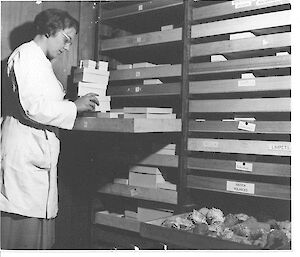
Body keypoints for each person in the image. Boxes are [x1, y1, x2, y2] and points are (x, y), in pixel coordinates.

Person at [0, 8, 99, 249]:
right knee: (19, 236)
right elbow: (33, 107)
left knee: (36, 235)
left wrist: (73, 105)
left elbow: (46, 104)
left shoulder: (41, 63)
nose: (66, 47)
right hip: (23, 157)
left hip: (36, 158)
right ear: (49, 30)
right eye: (65, 39)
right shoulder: (26, 56)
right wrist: (74, 107)